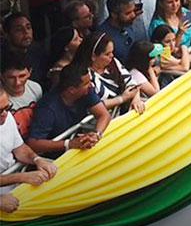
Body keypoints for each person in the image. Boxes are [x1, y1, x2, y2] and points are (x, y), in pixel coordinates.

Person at [0, 84, 59, 214]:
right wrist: (21, 177)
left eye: (7, 108)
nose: (4, 114)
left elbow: (19, 148)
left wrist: (37, 160)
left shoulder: (8, 118)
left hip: (13, 192)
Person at [26, 65, 110, 156]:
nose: (91, 85)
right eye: (86, 84)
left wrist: (96, 134)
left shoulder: (87, 92)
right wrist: (68, 144)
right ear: (72, 90)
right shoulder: (47, 108)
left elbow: (103, 114)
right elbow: (33, 143)